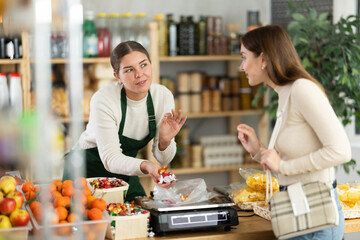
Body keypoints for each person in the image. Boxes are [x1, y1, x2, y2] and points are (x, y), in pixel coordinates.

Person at [237, 25, 351, 240]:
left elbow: (341, 151)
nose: (241, 66)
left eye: (244, 57)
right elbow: (291, 157)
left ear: (263, 59)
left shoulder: (302, 89)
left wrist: (284, 167)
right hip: (298, 212)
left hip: (316, 218)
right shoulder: (285, 93)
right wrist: (257, 151)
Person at [63, 41, 187, 201]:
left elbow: (164, 159)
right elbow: (111, 159)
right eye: (129, 70)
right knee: (88, 220)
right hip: (84, 171)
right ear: (117, 76)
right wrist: (146, 165)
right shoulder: (104, 99)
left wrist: (164, 140)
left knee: (140, 215)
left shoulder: (162, 96)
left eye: (143, 65)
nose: (139, 74)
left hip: (124, 171)